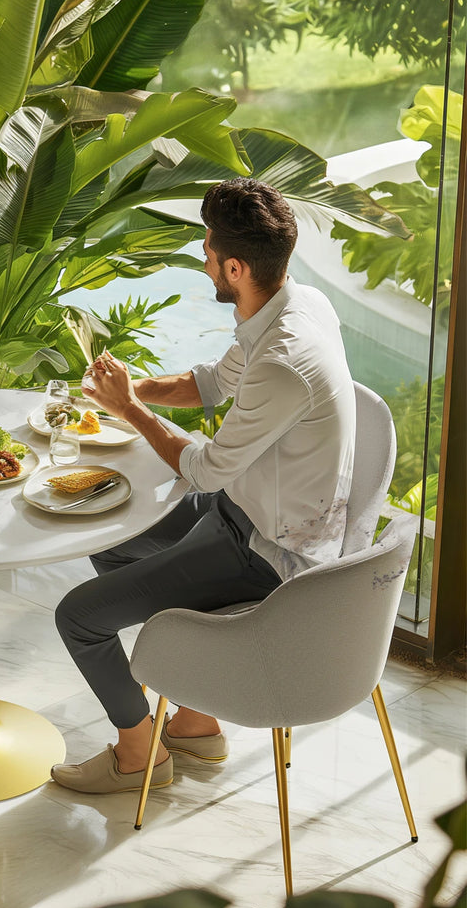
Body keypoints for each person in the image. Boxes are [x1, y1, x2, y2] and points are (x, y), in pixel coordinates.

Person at [50, 177, 356, 794]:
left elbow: (204, 469)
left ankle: (139, 755)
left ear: (236, 267)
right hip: (241, 508)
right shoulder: (294, 307)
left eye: (210, 253)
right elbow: (216, 382)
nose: (203, 260)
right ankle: (194, 718)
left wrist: (131, 412)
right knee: (112, 536)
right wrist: (133, 389)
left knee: (79, 617)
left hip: (268, 549)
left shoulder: (283, 362)